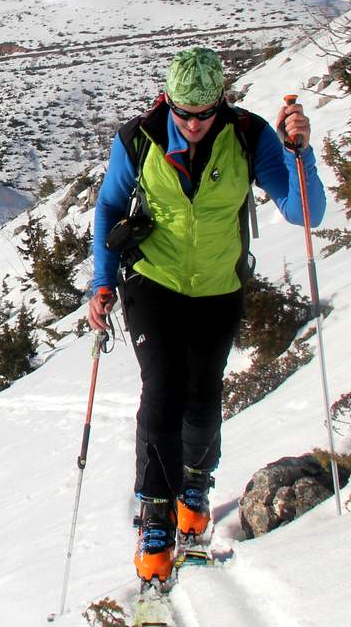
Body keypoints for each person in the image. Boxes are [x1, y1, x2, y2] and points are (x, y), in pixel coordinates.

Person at [87, 47, 324, 588]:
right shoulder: (138, 139)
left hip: (219, 285)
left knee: (203, 392)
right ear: (167, 102)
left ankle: (195, 483)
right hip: (152, 280)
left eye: (204, 114)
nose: (193, 124)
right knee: (162, 391)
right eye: (184, 114)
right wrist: (102, 281)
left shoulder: (249, 136)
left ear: (222, 103)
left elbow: (302, 210)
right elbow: (109, 207)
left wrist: (299, 154)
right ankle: (156, 512)